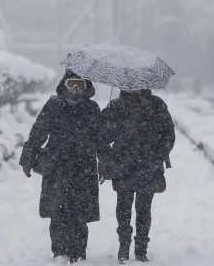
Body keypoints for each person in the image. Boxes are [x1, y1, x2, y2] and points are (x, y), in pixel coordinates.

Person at [19, 70, 101, 264]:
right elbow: (38, 132)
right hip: (57, 165)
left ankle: (79, 253)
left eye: (79, 84)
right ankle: (60, 252)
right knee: (58, 211)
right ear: (64, 84)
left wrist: (106, 163)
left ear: (86, 87)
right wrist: (28, 159)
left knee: (79, 214)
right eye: (71, 83)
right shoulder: (53, 105)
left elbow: (101, 139)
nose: (75, 88)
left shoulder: (92, 108)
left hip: (84, 166)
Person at [98, 89, 175, 263]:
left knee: (144, 208)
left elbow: (168, 135)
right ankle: (124, 244)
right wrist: (106, 158)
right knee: (123, 207)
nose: (134, 87)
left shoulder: (156, 104)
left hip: (149, 165)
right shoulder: (115, 106)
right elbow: (101, 136)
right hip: (122, 164)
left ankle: (141, 248)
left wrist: (157, 156)